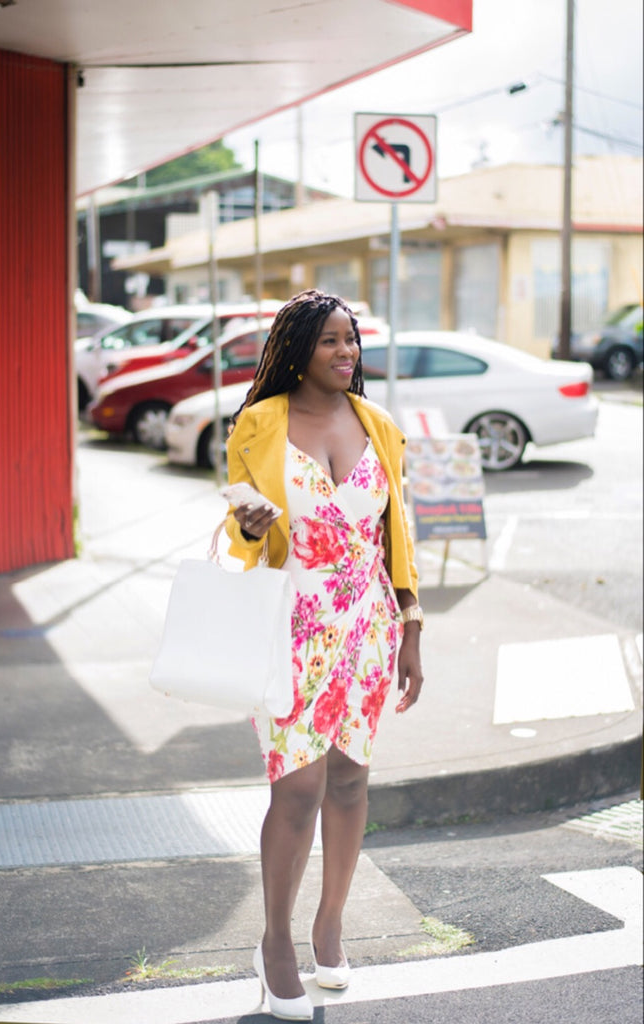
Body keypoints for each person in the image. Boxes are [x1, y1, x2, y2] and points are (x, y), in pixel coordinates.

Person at [225, 289, 423, 1021]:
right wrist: (247, 524)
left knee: (349, 781)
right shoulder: (260, 423)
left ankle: (329, 923)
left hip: (367, 629)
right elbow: (241, 534)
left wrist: (411, 624)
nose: (347, 353)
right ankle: (275, 942)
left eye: (353, 341)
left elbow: (396, 533)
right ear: (298, 348)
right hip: (291, 628)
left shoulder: (378, 425)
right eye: (332, 341)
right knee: (296, 790)